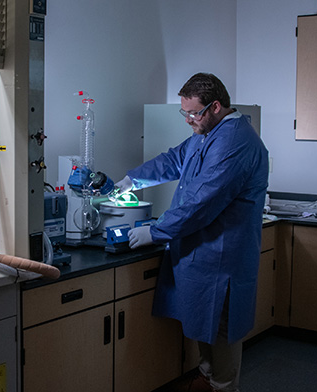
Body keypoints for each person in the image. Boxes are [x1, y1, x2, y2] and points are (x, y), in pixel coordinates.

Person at [113, 73, 268, 392]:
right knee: (203, 325)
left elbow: (202, 201)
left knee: (222, 329)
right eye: (183, 112)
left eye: (192, 112)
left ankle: (223, 386)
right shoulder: (207, 131)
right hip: (200, 253)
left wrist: (156, 232)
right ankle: (208, 378)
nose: (188, 120)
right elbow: (174, 160)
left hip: (223, 256)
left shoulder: (235, 141)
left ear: (215, 106)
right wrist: (133, 180)